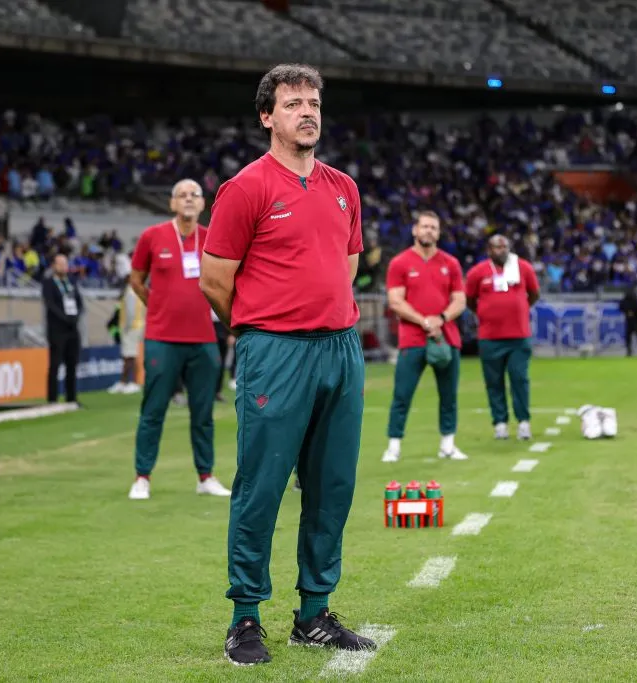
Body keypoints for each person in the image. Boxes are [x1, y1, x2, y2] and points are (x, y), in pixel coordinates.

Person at [200, 63, 374, 667]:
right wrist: (261, 331)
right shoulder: (245, 188)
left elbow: (346, 269)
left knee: (332, 488)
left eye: (314, 102)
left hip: (341, 349)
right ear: (267, 116)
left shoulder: (344, 187)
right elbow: (216, 282)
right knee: (261, 486)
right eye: (294, 102)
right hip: (275, 351)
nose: (308, 112)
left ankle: (314, 614)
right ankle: (245, 617)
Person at [127, 179, 230, 500]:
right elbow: (136, 278)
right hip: (162, 338)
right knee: (153, 410)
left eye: (194, 195)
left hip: (202, 339)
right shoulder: (152, 236)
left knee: (203, 413)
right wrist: (156, 306)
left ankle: (206, 476)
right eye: (182, 195)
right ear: (172, 203)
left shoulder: (212, 238)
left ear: (203, 205)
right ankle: (142, 477)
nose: (188, 199)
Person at [381, 211, 469, 463]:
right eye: (425, 226)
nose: (429, 230)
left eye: (434, 227)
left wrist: (440, 319)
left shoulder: (450, 263)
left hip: (446, 338)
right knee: (402, 394)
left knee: (449, 395)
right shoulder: (400, 263)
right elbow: (395, 302)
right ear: (415, 230)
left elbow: (460, 300)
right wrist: (424, 321)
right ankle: (394, 446)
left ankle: (448, 445)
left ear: (438, 233)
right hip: (412, 339)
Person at [465, 235, 540, 440]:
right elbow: (470, 299)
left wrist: (519, 308)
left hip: (518, 336)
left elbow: (534, 294)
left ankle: (523, 421)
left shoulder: (523, 267)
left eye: (504, 246)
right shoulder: (477, 272)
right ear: (489, 250)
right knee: (493, 381)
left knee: (519, 378)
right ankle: (500, 423)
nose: (501, 250)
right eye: (497, 247)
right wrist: (486, 312)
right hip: (490, 337)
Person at [42, 252, 83, 403]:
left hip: (72, 328)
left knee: (72, 364)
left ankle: (71, 398)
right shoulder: (48, 283)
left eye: (65, 264)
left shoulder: (71, 282)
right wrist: (65, 318)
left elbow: (79, 302)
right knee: (55, 365)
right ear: (53, 266)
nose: (64, 267)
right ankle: (52, 399)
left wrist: (75, 317)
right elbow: (50, 304)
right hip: (57, 329)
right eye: (60, 264)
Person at [108, 275, 144, 395]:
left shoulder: (130, 292)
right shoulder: (136, 290)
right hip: (135, 326)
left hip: (131, 328)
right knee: (128, 355)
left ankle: (132, 382)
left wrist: (127, 327)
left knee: (130, 355)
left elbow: (130, 312)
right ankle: (124, 382)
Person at [619, 285, 637, 356]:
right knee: (630, 337)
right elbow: (621, 307)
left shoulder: (634, 300)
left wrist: (629, 312)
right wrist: (627, 312)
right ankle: (631, 351)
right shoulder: (632, 299)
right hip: (630, 321)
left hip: (634, 320)